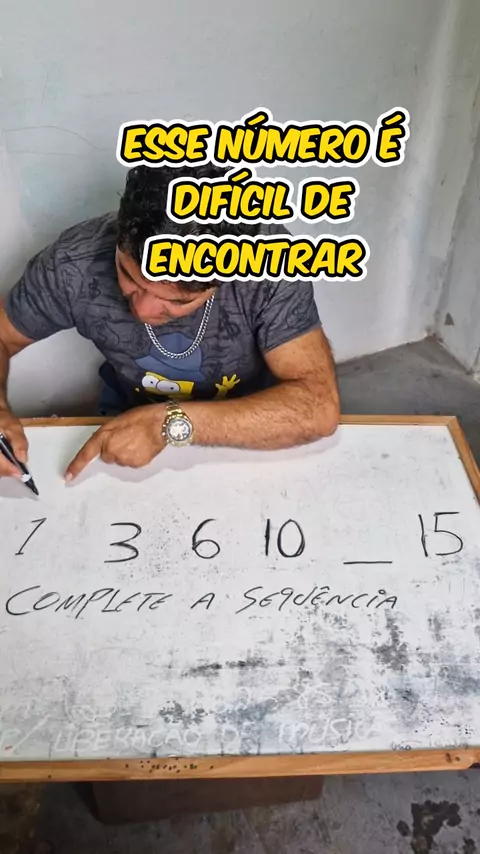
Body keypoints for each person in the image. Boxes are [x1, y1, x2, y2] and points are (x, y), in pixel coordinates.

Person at [0, 164, 340, 482]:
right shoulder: (73, 263)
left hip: (251, 419)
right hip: (127, 413)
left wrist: (169, 424)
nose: (143, 310)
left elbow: (317, 408)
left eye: (177, 301)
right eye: (129, 277)